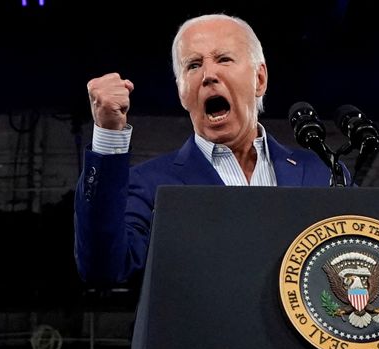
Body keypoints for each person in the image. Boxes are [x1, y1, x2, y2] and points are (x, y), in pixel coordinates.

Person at [74, 13, 343, 286]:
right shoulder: (148, 184)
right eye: (193, 65)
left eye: (224, 59)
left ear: (259, 79)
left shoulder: (322, 173)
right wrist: (108, 134)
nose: (208, 75)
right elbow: (103, 267)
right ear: (182, 93)